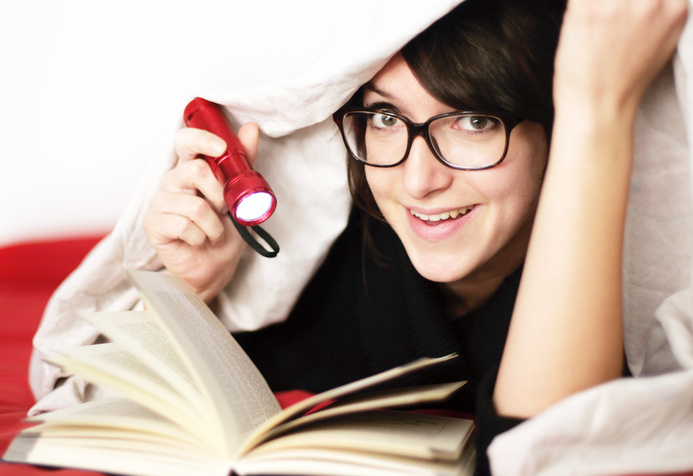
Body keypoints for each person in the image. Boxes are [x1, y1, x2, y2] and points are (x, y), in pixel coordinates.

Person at [31, 0, 689, 474]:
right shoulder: (327, 278)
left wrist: (599, 105)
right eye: (384, 117)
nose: (418, 180)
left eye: (473, 121)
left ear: (556, 129)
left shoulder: (625, 282)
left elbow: (542, 451)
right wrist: (192, 290)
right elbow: (82, 408)